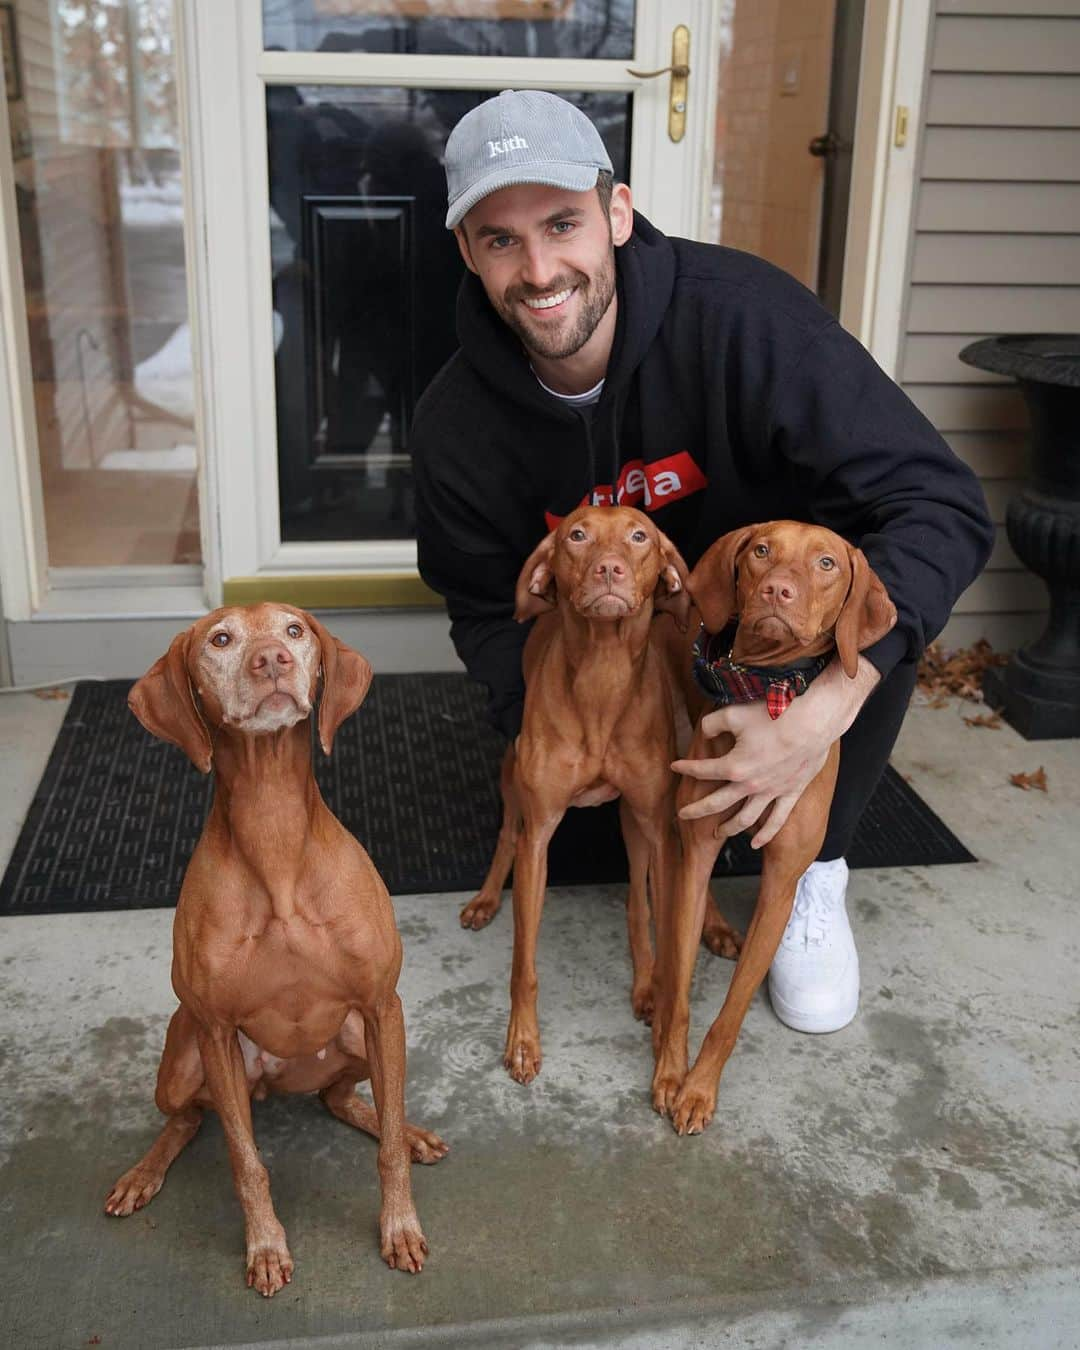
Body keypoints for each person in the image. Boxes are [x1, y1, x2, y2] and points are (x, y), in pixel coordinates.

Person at [411, 90, 993, 1035]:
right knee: (614, 828)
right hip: (612, 669)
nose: (540, 267)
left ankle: (815, 868)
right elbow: (483, 606)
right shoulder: (453, 426)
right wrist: (539, 720)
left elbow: (941, 506)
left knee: (876, 599)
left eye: (563, 223)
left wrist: (822, 712)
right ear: (468, 253)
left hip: (772, 637)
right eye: (500, 239)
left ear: (618, 212)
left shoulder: (745, 320)